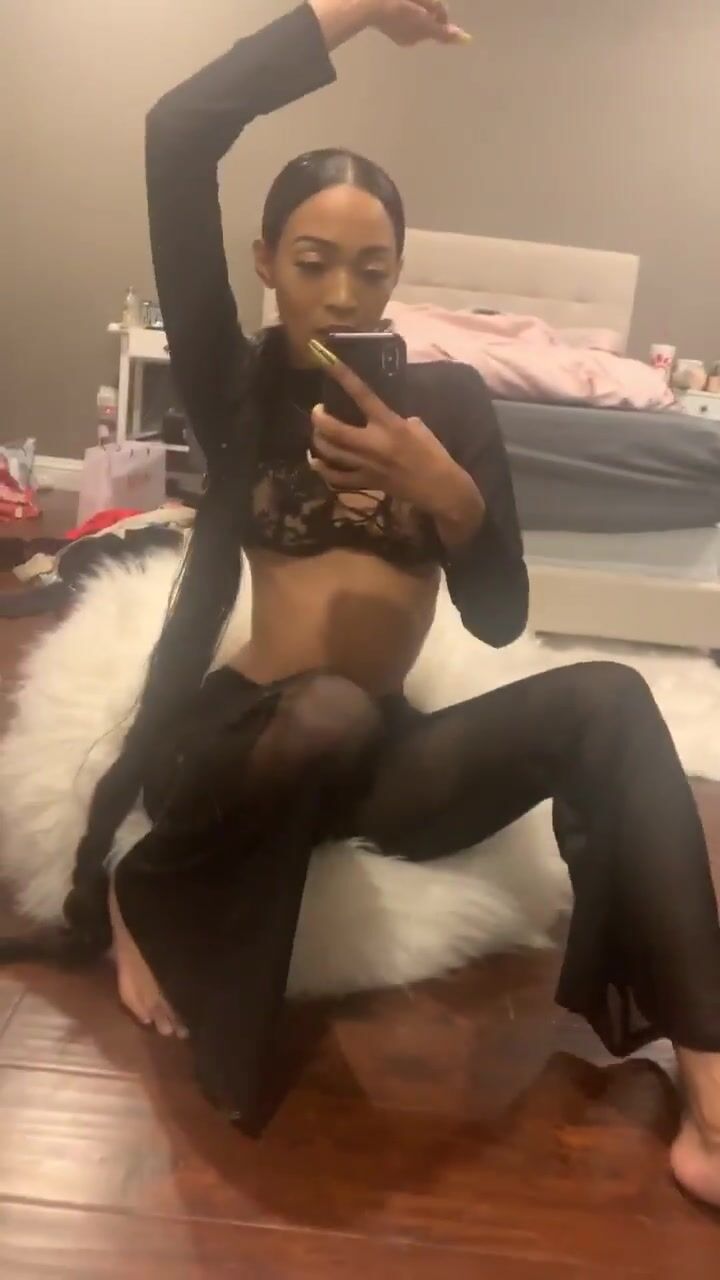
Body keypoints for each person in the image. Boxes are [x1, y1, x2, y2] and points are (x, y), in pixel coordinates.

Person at [4, 0, 720, 1204]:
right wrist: (356, 13)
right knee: (325, 705)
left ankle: (710, 1088)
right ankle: (150, 887)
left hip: (377, 756)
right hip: (242, 743)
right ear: (265, 263)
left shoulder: (453, 405)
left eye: (373, 268)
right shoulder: (234, 385)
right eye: (312, 262)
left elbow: (499, 618)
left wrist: (448, 495)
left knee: (609, 696)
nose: (342, 293)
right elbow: (178, 133)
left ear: (399, 272)